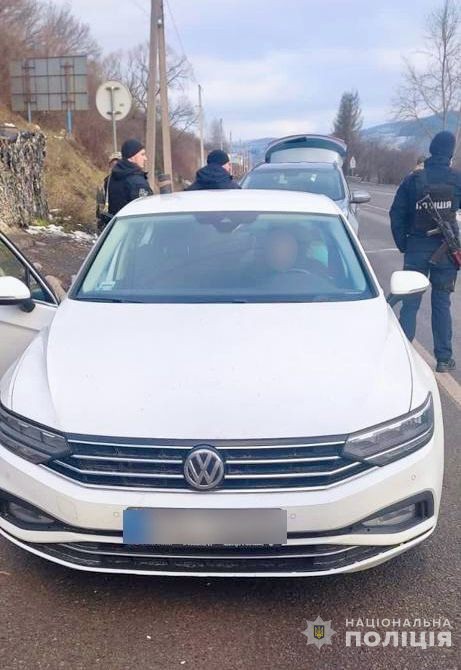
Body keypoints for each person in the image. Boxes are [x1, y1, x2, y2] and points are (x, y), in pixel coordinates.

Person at [390, 130, 461, 372]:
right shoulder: (457, 179)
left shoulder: (413, 180)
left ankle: (403, 355)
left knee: (410, 304)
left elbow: (396, 214)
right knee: (441, 303)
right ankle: (443, 358)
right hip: (446, 253)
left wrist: (404, 244)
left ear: (431, 149)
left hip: (416, 249)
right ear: (450, 153)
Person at [107, 139, 153, 216]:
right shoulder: (137, 183)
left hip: (116, 222)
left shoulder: (111, 178)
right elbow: (146, 213)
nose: (145, 158)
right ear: (131, 157)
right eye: (142, 154)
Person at [96, 151, 121, 233]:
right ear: (110, 166)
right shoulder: (105, 182)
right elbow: (100, 204)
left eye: (118, 164)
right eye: (113, 165)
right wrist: (100, 220)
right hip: (109, 221)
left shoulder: (130, 182)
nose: (115, 167)